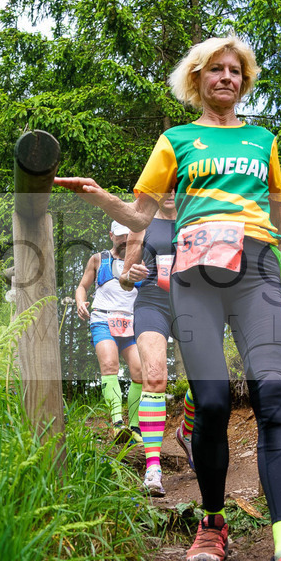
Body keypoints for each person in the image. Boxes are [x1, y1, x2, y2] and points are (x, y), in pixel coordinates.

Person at [55, 36, 281, 561]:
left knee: (272, 392)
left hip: (257, 267)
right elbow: (141, 214)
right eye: (217, 69)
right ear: (197, 79)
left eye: (237, 71)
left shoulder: (264, 141)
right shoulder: (176, 140)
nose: (228, 78)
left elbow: (279, 211)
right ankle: (213, 523)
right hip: (193, 277)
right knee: (211, 402)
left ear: (245, 81)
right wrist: (98, 195)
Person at [118, 193, 197, 498]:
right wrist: (131, 275)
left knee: (206, 383)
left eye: (174, 185)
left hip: (193, 305)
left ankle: (186, 433)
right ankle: (153, 467)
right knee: (155, 377)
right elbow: (125, 278)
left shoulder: (198, 216)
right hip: (152, 303)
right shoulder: (142, 222)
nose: (168, 192)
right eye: (162, 186)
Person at [74, 220, 143, 441]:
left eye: (128, 236)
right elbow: (82, 287)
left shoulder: (141, 261)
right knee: (110, 365)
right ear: (112, 235)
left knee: (139, 371)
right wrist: (80, 302)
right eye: (121, 236)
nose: (125, 240)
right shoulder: (98, 259)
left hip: (131, 323)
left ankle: (134, 426)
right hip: (103, 318)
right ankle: (117, 423)